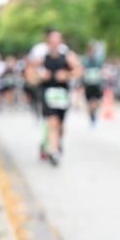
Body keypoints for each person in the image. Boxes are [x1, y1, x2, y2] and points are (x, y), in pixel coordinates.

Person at [36, 30, 81, 166]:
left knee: (60, 125)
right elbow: (30, 71)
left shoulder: (67, 56)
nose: (55, 43)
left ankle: (57, 143)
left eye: (57, 40)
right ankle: (54, 151)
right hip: (48, 94)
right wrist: (40, 75)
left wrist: (67, 75)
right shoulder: (43, 57)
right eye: (52, 41)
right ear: (48, 42)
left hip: (62, 95)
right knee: (52, 122)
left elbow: (79, 70)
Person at [81, 42, 105, 125]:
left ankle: (93, 113)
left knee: (96, 102)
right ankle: (91, 115)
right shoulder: (85, 61)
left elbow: (102, 71)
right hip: (88, 85)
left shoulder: (98, 61)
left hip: (96, 85)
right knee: (89, 103)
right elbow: (81, 72)